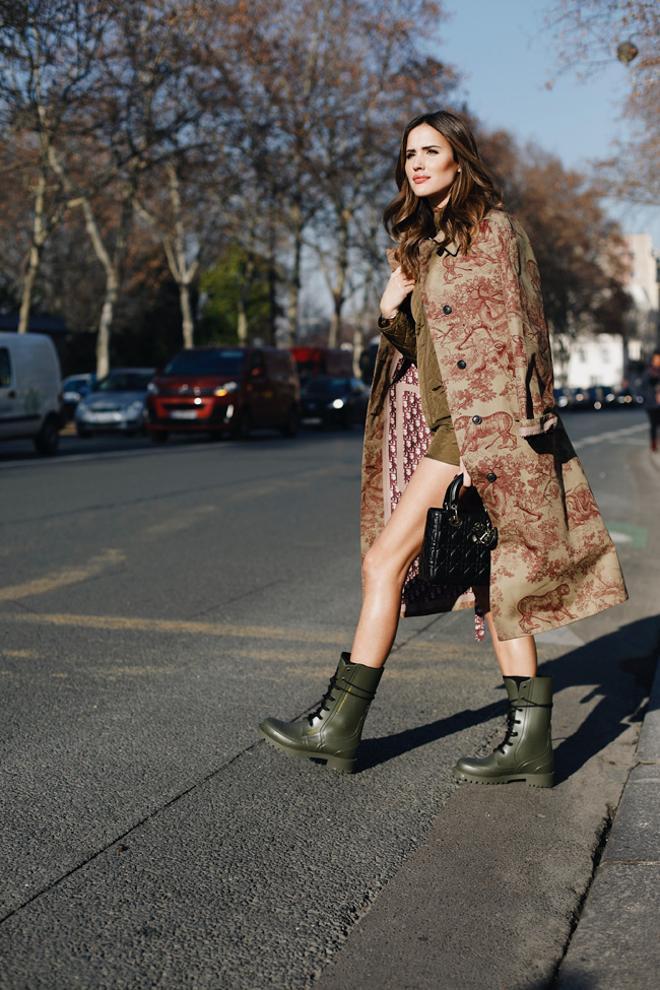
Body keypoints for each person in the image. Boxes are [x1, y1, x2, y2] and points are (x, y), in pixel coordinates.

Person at [259, 110, 628, 786]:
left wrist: (517, 433)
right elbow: (425, 362)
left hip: (480, 432)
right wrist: (390, 309)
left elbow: (527, 334)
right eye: (408, 156)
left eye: (430, 151)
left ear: (460, 158)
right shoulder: (422, 247)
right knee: (496, 588)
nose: (416, 164)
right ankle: (531, 745)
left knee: (382, 565)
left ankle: (337, 725)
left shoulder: (498, 232)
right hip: (448, 428)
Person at [641, 350, 660, 452]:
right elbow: (643, 388)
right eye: (657, 359)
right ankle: (653, 444)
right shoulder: (648, 372)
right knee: (654, 425)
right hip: (651, 404)